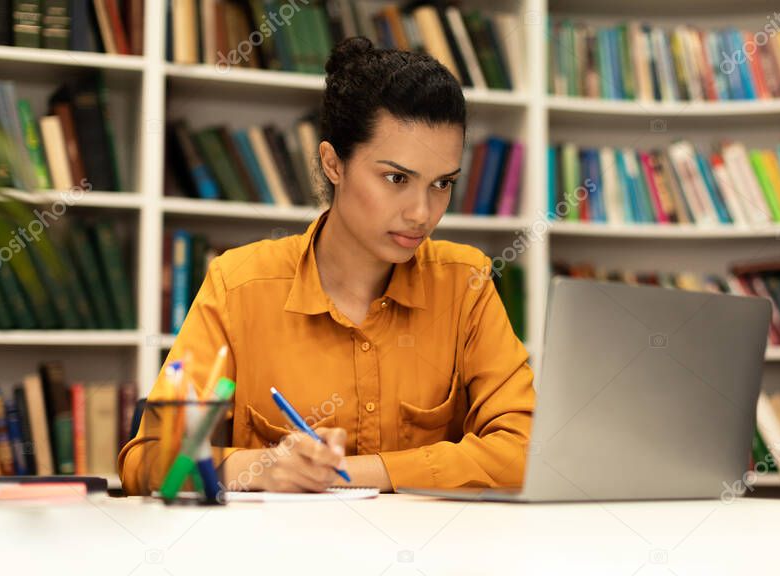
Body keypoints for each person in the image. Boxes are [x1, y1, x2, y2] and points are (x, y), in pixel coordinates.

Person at [118, 37, 535, 494]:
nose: (422, 212)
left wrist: (351, 474)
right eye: (396, 178)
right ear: (333, 163)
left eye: (442, 183)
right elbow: (149, 459)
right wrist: (260, 467)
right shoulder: (239, 285)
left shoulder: (465, 283)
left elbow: (526, 452)